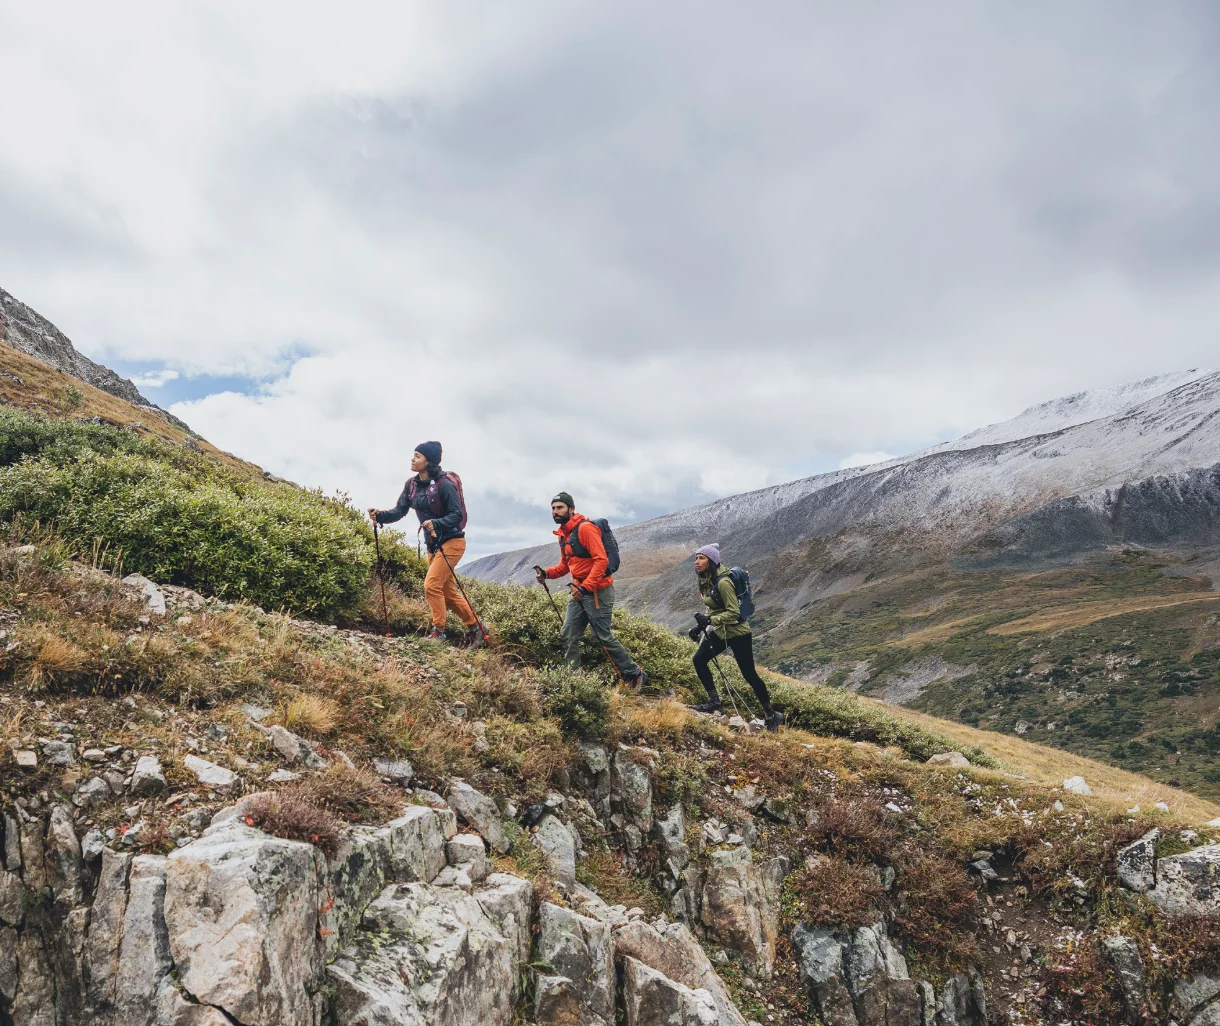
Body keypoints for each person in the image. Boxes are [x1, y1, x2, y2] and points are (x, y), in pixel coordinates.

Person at [368, 441, 485, 647]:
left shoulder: (445, 485)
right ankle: (477, 629)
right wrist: (381, 516)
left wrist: (436, 523)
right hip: (433, 545)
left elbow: (456, 515)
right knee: (448, 594)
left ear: (428, 461)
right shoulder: (411, 484)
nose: (412, 459)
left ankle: (438, 633)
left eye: (417, 456)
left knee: (431, 585)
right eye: (413, 455)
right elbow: (400, 510)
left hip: (452, 542)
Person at [534, 492, 648, 688]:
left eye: (560, 507)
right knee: (568, 633)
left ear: (571, 509)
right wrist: (547, 573)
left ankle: (635, 674)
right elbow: (565, 566)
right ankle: (574, 680)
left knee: (601, 635)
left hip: (597, 592)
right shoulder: (564, 535)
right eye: (553, 508)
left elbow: (601, 560)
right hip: (579, 591)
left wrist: (586, 587)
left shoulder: (585, 529)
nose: (555, 512)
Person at [687, 543, 783, 731]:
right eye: (696, 558)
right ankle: (715, 702)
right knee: (699, 660)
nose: (697, 562)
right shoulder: (706, 579)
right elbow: (714, 605)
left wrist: (710, 620)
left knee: (749, 675)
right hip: (721, 632)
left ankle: (771, 715)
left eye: (701, 558)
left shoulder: (723, 582)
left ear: (712, 561)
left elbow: (734, 612)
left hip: (738, 633)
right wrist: (699, 627)